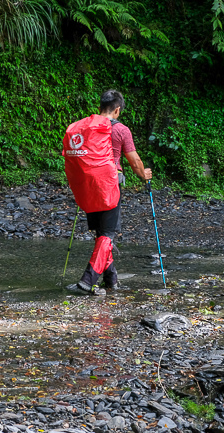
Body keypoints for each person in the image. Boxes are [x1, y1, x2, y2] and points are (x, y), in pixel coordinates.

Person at [77, 90, 152, 295]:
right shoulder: (121, 130)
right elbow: (135, 161)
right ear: (117, 110)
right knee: (108, 235)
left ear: (100, 107)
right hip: (109, 185)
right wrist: (144, 175)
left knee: (102, 234)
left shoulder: (86, 127)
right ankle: (88, 279)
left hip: (88, 184)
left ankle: (111, 280)